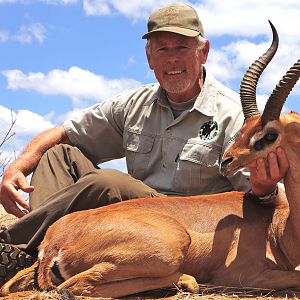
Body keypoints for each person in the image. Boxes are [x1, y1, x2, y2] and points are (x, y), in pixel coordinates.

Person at [0, 2, 289, 286]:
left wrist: (264, 187)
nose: (172, 59)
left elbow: (255, 195)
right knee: (57, 153)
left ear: (204, 52)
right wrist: (17, 167)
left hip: (181, 222)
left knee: (108, 182)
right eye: (163, 49)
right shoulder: (135, 103)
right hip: (134, 220)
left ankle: (15, 247)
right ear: (149, 57)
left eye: (182, 48)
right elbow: (65, 132)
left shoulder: (232, 113)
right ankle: (43, 251)